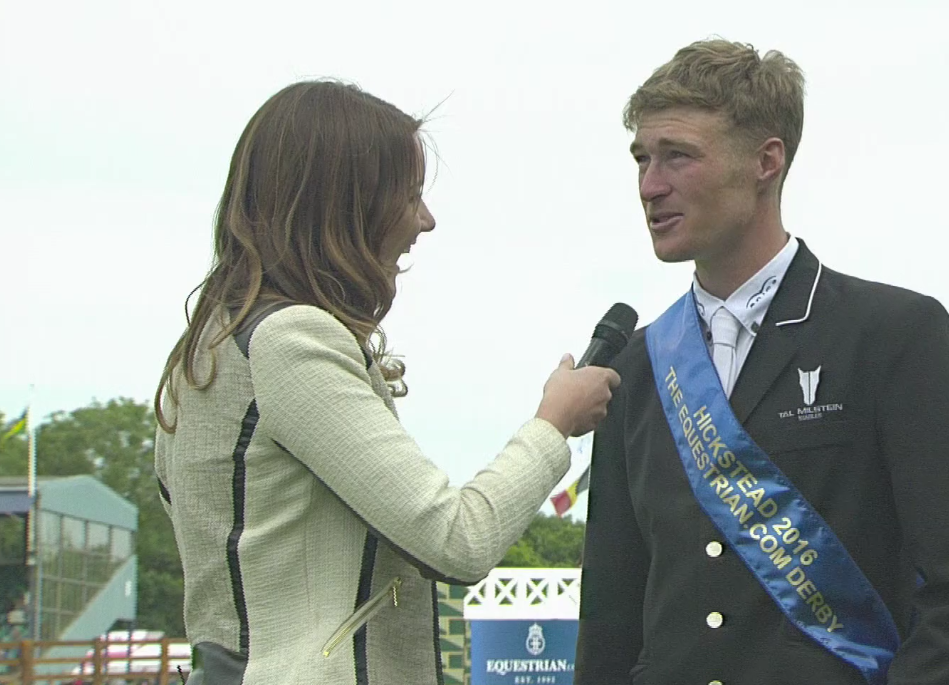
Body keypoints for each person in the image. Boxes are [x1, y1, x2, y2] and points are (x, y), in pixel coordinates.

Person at [575, 40, 949, 685]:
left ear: (766, 160)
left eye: (679, 156)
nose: (650, 185)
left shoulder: (894, 336)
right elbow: (611, 614)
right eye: (642, 158)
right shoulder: (637, 366)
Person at [152, 80, 620, 685]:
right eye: (408, 195)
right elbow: (457, 540)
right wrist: (554, 424)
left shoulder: (208, 347)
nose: (426, 220)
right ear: (347, 204)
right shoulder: (290, 340)